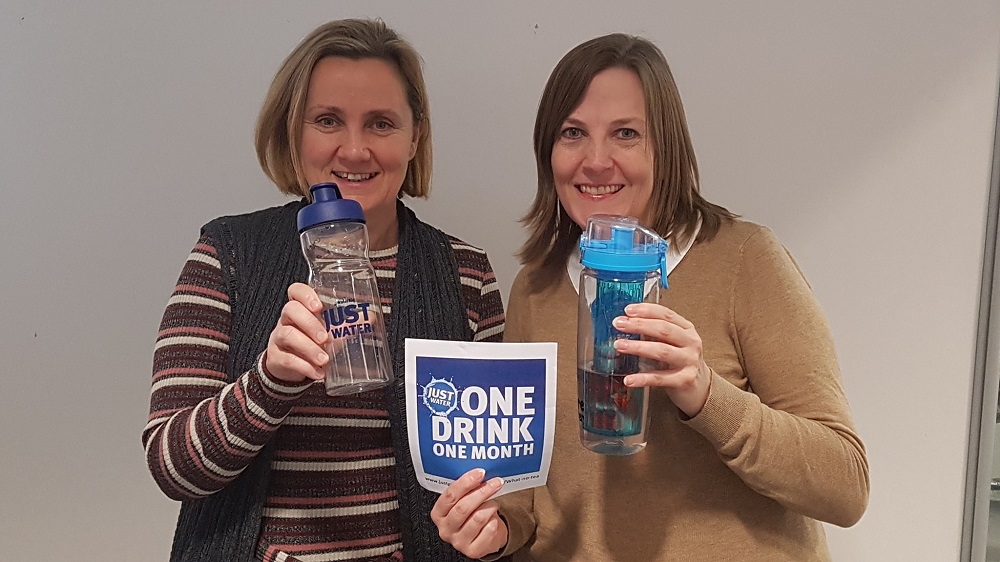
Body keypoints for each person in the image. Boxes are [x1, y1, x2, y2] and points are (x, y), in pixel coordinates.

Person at [430, 33, 869, 561]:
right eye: (572, 133)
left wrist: (706, 394)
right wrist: (494, 530)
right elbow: (527, 496)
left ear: (666, 147)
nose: (595, 160)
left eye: (626, 134)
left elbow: (845, 487)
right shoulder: (536, 287)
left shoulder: (744, 261)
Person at [142, 19, 505, 562]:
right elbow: (173, 468)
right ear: (295, 131)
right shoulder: (229, 254)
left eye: (381, 123)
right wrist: (270, 382)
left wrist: (491, 535)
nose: (354, 149)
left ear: (415, 138)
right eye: (328, 120)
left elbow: (495, 478)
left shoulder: (466, 273)